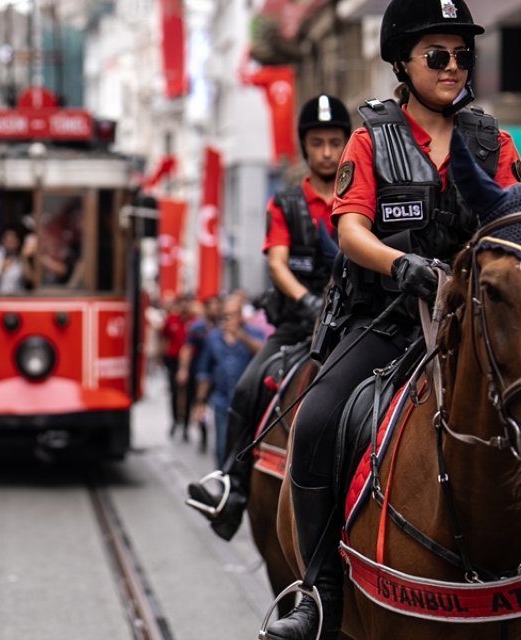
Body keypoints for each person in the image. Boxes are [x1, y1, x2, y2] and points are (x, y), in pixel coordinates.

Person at [262, 2, 521, 638]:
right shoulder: (370, 137)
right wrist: (401, 265)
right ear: (402, 61)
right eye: (438, 55)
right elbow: (349, 229)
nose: (454, 67)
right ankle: (317, 592)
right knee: (318, 419)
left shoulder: (496, 141)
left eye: (463, 55)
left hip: (477, 322)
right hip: (387, 319)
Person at [187, 94, 352, 538]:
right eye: (317, 143)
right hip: (299, 326)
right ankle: (231, 486)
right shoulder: (285, 202)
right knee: (246, 388)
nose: (326, 153)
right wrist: (308, 301)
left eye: (334, 142)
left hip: (354, 324)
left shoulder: (359, 196)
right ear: (304, 147)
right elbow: (277, 263)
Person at [191, 294, 265, 467]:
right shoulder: (213, 337)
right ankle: (223, 484)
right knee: (221, 447)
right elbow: (205, 372)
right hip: (222, 401)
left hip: (247, 403)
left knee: (243, 448)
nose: (230, 318)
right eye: (227, 314)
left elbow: (263, 355)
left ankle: (238, 486)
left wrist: (242, 337)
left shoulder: (254, 334)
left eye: (234, 314)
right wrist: (200, 403)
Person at [177, 295, 221, 452]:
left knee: (207, 405)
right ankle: (187, 427)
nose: (215, 310)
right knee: (195, 401)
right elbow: (187, 349)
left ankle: (204, 433)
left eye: (217, 306)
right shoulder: (198, 327)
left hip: (216, 374)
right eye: (212, 306)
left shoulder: (222, 326)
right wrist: (183, 369)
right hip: (199, 372)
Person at [159, 297, 190, 440]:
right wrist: (162, 356)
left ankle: (186, 425)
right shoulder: (171, 320)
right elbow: (164, 338)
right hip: (172, 360)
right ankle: (174, 420)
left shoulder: (193, 322)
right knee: (174, 391)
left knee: (188, 393)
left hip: (189, 362)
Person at [0, 228, 29, 293]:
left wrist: (24, 258)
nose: (10, 244)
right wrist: (2, 270)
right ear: (2, 241)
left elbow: (29, 281)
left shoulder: (20, 256)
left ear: (18, 242)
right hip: (0, 297)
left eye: (12, 241)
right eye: (8, 241)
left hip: (18, 297)